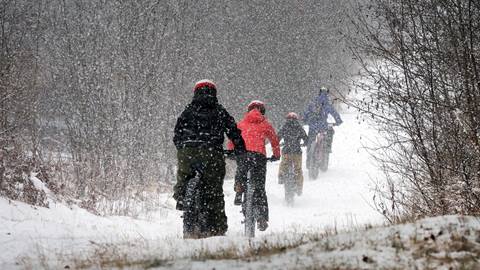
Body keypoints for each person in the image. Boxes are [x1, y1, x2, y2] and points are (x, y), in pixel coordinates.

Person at [173, 79, 246, 239]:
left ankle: (182, 197)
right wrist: (240, 150)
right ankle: (217, 229)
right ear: (214, 93)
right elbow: (233, 131)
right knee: (214, 192)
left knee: (184, 177)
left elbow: (177, 132)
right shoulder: (219, 110)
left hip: (188, 150)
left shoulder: (188, 110)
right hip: (211, 152)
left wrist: (182, 148)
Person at [227, 100, 281, 231]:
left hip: (243, 154)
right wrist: (276, 154)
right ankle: (261, 217)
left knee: (241, 169)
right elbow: (274, 139)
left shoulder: (241, 123)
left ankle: (239, 188)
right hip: (259, 156)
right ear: (262, 111)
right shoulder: (265, 124)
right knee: (259, 187)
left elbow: (233, 138)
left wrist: (231, 152)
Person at [303, 87, 343, 165]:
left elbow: (306, 112)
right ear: (327, 93)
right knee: (330, 133)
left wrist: (305, 120)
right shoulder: (327, 104)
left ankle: (309, 160)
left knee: (310, 142)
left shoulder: (313, 103)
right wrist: (338, 121)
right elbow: (335, 113)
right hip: (323, 126)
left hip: (312, 126)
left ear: (319, 92)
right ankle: (327, 149)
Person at [278, 112, 308, 195]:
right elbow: (306, 139)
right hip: (297, 152)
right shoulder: (299, 127)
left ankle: (281, 177)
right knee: (298, 169)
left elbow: (277, 138)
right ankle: (299, 188)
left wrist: (277, 144)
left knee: (283, 164)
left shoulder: (284, 127)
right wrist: (305, 143)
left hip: (286, 151)